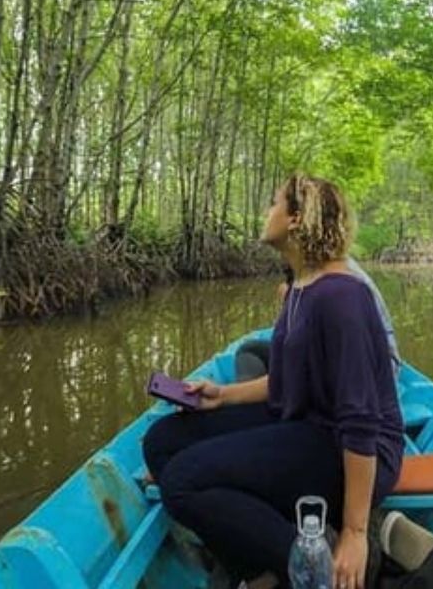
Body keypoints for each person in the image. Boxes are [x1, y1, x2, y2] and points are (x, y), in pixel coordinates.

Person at [143, 173, 404, 589]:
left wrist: (355, 534)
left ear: (297, 219)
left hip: (349, 447)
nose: (266, 213)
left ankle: (311, 566)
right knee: (161, 442)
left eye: (274, 203)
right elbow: (282, 382)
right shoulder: (300, 287)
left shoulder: (343, 297)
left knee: (181, 482)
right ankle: (255, 560)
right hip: (305, 421)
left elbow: (360, 419)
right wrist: (221, 395)